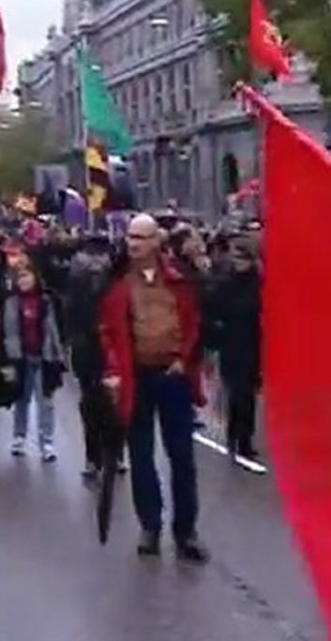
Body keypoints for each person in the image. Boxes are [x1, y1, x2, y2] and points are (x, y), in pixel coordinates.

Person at [98, 213, 210, 562]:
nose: (133, 243)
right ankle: (150, 525)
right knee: (141, 455)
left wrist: (184, 360)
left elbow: (194, 323)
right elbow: (108, 333)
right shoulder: (117, 283)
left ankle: (186, 531)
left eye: (141, 237)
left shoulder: (179, 280)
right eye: (131, 237)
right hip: (138, 377)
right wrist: (114, 370)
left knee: (182, 457)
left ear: (156, 242)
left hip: (173, 375)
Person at [66, 236, 126, 478]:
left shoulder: (83, 280)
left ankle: (104, 456)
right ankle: (103, 455)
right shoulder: (94, 281)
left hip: (101, 348)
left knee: (101, 404)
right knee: (101, 404)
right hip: (95, 348)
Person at [3, 264, 65, 462]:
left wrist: (58, 356)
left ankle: (46, 442)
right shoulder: (11, 302)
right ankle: (19, 437)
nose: (23, 281)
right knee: (21, 399)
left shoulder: (46, 300)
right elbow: (7, 331)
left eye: (27, 276)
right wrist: (9, 356)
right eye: (20, 277)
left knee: (45, 401)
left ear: (35, 278)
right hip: (20, 356)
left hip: (44, 356)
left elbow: (55, 329)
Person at [214, 238, 262, 460]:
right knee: (236, 392)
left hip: (252, 342)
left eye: (243, 258)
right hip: (231, 342)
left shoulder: (259, 283)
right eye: (236, 258)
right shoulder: (226, 282)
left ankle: (244, 437)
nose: (238, 262)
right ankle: (235, 436)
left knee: (247, 394)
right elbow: (214, 307)